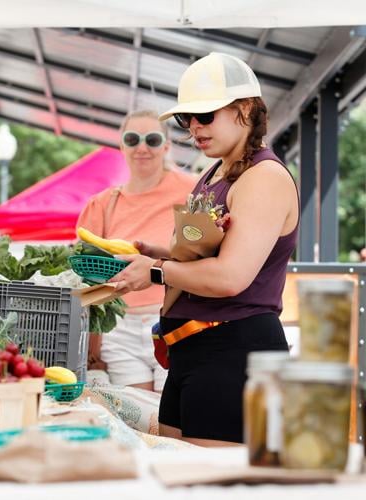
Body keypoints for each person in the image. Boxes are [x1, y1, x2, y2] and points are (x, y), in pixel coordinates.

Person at [109, 52, 299, 446]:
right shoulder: (216, 172)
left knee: (209, 485)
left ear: (245, 110)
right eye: (186, 119)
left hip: (234, 354)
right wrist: (155, 251)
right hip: (192, 353)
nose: (194, 127)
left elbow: (231, 277)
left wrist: (156, 269)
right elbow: (207, 253)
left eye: (205, 115)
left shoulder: (264, 178)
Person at [77, 110, 195, 392]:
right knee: (137, 420)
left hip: (176, 320)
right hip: (120, 329)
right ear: (122, 145)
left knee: (172, 421)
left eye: (152, 140)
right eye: (133, 139)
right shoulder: (102, 204)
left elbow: (205, 254)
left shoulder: (192, 191)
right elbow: (85, 277)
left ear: (166, 146)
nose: (142, 147)